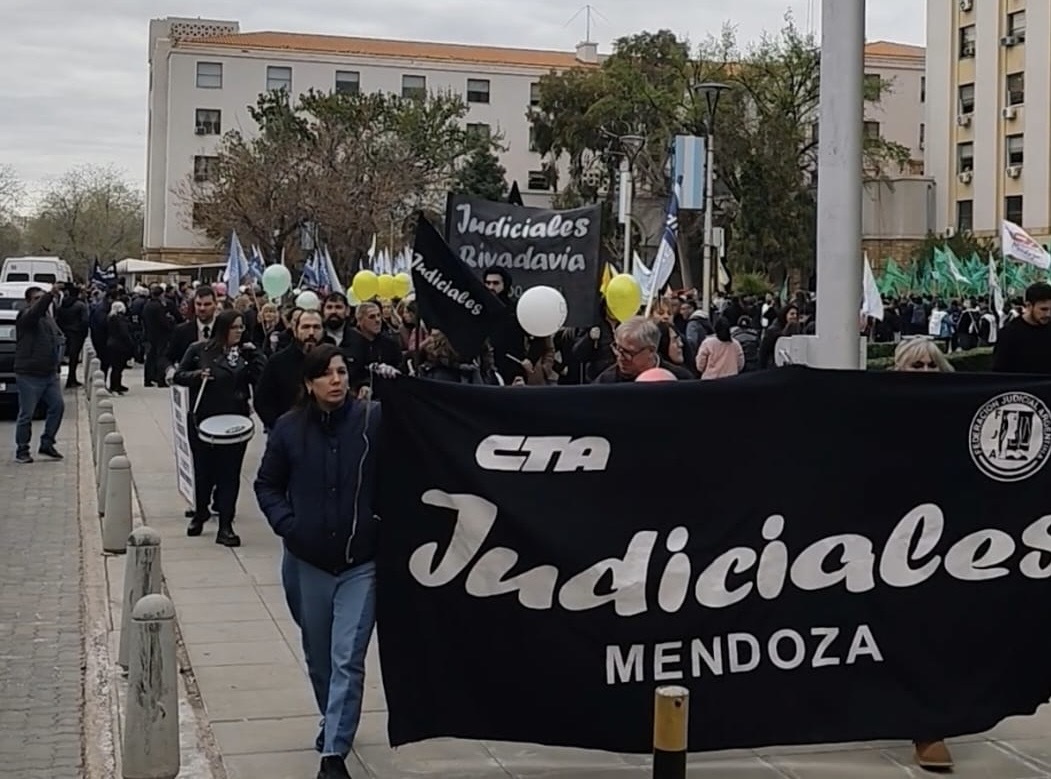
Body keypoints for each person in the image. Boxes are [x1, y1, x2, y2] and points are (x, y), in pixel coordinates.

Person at [254, 344, 394, 779]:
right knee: (319, 655)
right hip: (307, 560)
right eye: (326, 374)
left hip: (361, 562)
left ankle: (333, 754)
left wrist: (381, 521)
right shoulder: (288, 429)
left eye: (341, 372)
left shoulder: (373, 421)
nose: (337, 380)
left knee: (348, 655)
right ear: (309, 383)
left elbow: (406, 467)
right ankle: (331, 718)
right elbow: (267, 485)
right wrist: (289, 526)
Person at [173, 309, 265, 544]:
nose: (239, 332)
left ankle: (226, 525)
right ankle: (200, 510)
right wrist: (197, 375)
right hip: (203, 419)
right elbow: (179, 375)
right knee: (204, 472)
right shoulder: (199, 350)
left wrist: (255, 356)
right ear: (224, 328)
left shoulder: (244, 354)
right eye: (235, 327)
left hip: (235, 421)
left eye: (242, 327)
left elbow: (261, 378)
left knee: (229, 474)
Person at [14, 283, 66, 463]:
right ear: (28, 302)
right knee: (26, 414)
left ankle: (47, 443)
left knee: (57, 407)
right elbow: (36, 312)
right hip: (29, 374)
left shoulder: (47, 318)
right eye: (36, 299)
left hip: (49, 373)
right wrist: (49, 294)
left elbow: (55, 339)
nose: (41, 302)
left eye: (41, 298)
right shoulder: (26, 317)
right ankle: (22, 449)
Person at [254, 309, 325, 430]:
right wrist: (278, 427)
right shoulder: (278, 361)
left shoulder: (331, 360)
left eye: (316, 327)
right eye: (306, 327)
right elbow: (262, 401)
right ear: (295, 330)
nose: (311, 333)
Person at [593, 316, 693, 383]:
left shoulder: (680, 379)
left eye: (628, 353)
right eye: (618, 349)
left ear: (651, 351)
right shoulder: (605, 381)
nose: (620, 357)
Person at [992, 282, 1051, 374]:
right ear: (1028, 306)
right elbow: (1000, 372)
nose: (1048, 314)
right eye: (1043, 309)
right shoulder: (1009, 334)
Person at [105, 301, 135, 395]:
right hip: (119, 345)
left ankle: (116, 384)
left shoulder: (110, 318)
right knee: (118, 367)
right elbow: (124, 333)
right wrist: (131, 344)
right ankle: (115, 385)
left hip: (111, 343)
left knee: (115, 367)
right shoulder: (120, 319)